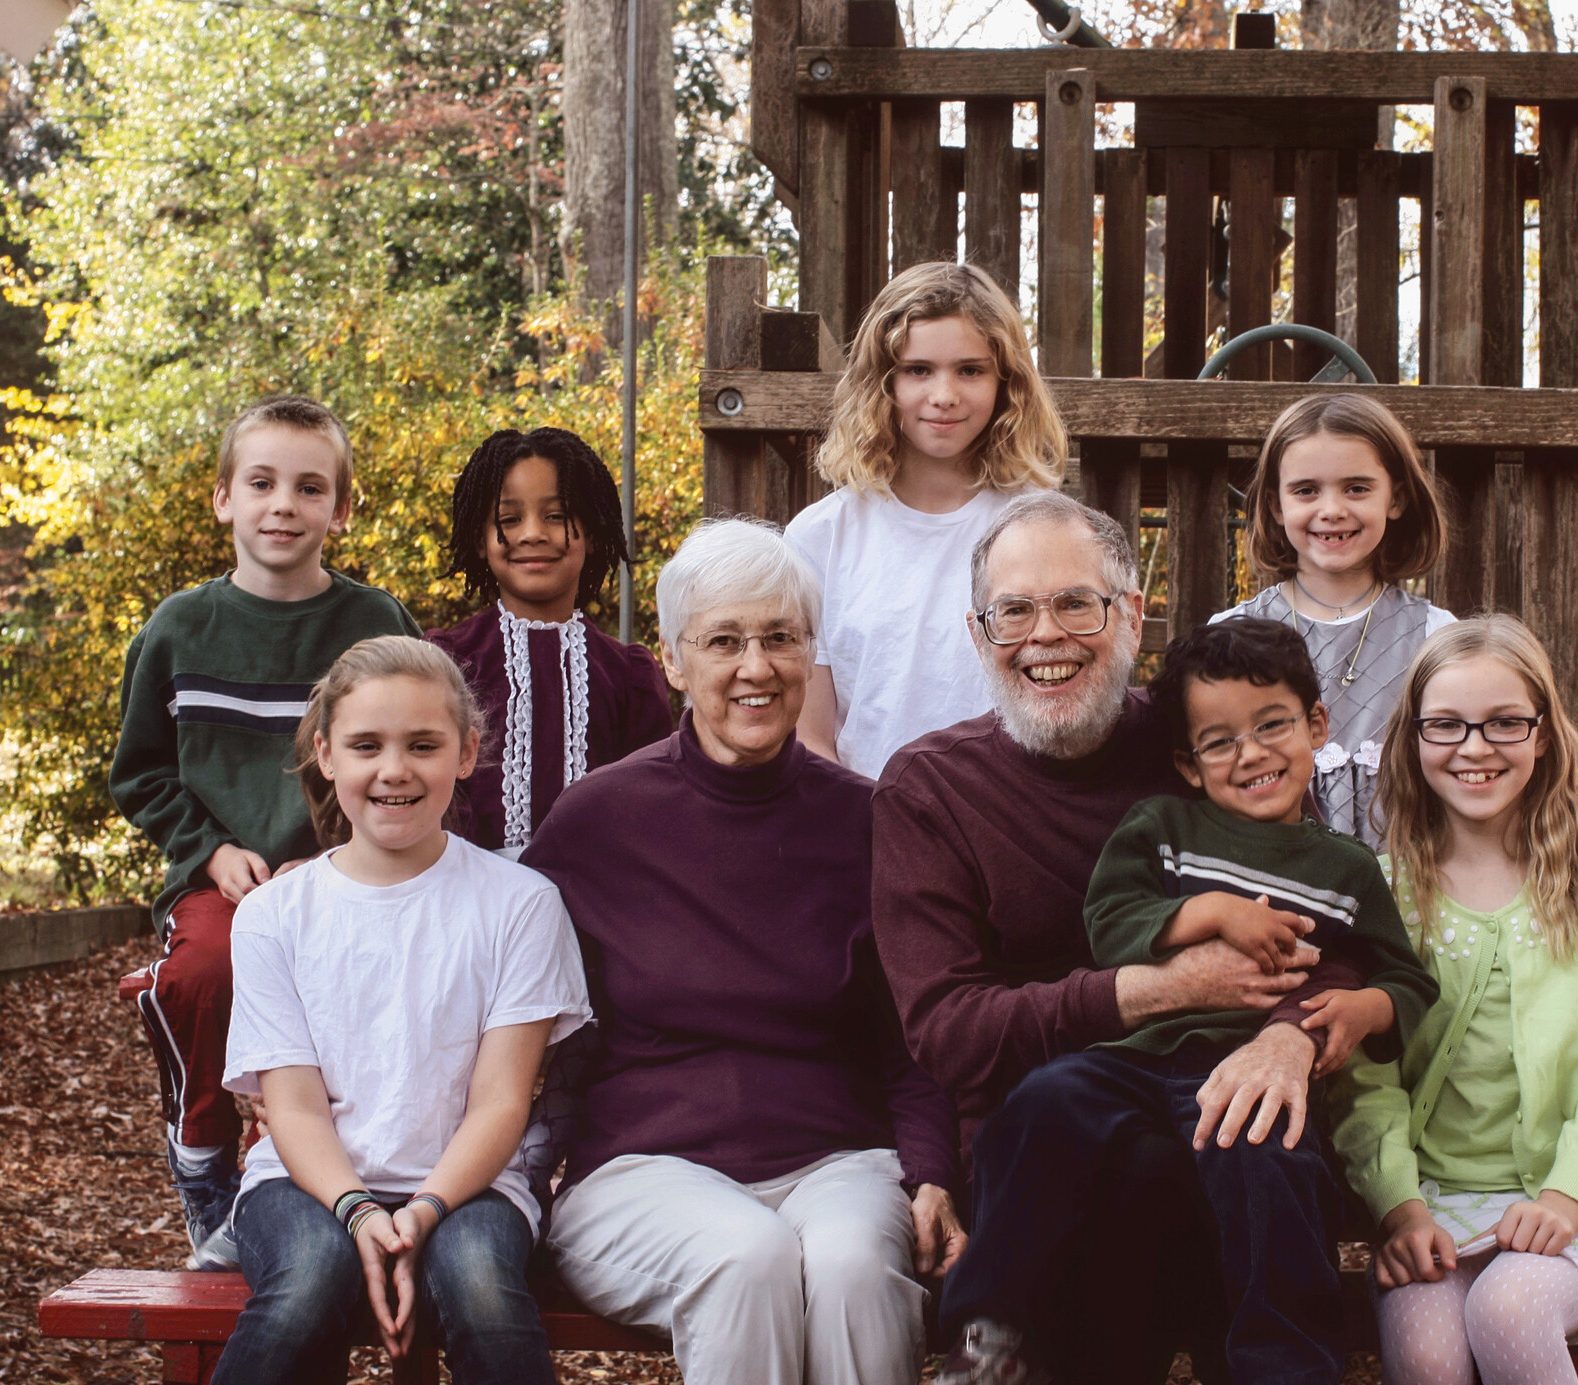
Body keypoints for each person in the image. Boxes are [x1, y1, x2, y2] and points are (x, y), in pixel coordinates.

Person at [873, 492, 1359, 1385]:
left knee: (1228, 1162)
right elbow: (948, 1031)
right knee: (1132, 1176)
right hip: (1039, 1159)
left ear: (1131, 615)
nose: (1045, 635)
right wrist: (1161, 986)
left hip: (1231, 1115)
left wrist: (1292, 1035)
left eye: (1076, 603)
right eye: (1013, 611)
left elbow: (1325, 919)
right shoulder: (931, 789)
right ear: (980, 635)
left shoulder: (1212, 748)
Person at [521, 518, 966, 1385]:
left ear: (810, 652)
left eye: (781, 637)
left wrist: (932, 1171)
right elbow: (492, 985)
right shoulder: (600, 819)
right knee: (748, 1256)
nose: (755, 666)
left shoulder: (870, 820)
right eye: (724, 640)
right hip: (643, 1169)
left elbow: (913, 1032)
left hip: (840, 1158)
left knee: (849, 1268)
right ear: (675, 660)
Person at [954, 616, 1438, 1384]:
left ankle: (1287, 1369)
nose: (1251, 753)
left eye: (1272, 724)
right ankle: (999, 1323)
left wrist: (1363, 1011)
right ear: (1187, 761)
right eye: (1220, 740)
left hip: (1254, 1073)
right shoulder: (1164, 827)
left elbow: (1405, 978)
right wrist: (1209, 911)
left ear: (1316, 722)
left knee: (1270, 1164)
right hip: (1139, 1061)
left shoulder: (1345, 868)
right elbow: (1109, 923)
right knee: (1042, 1102)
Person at [213, 636, 592, 1385]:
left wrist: (421, 1211)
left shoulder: (520, 903)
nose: (394, 769)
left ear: (467, 751)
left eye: (424, 744)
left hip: (473, 1181)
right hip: (303, 1182)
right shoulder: (274, 916)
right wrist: (358, 1210)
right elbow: (292, 1109)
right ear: (326, 754)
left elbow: (500, 1099)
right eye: (365, 745)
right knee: (305, 1284)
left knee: (482, 1288)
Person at [111, 396, 421, 1271]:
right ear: (223, 499)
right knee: (207, 968)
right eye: (261, 483)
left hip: (350, 869)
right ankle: (204, 1157)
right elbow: (140, 772)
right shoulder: (178, 629)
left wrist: (341, 854)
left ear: (341, 509)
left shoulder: (376, 625)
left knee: (366, 1001)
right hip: (225, 879)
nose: (283, 503)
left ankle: (314, 1180)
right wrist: (208, 847)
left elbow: (408, 749)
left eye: (309, 486)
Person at [1330, 615, 1578, 1385]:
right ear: (1412, 739)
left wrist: (1565, 1195)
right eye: (1445, 724)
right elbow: (1366, 1079)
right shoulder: (1387, 892)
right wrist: (1398, 1207)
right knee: (1426, 1351)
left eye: (1504, 722)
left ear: (1543, 734)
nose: (1475, 747)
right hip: (1432, 1200)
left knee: (1506, 1310)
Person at [787, 260, 1067, 779]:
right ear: (883, 381)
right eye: (918, 370)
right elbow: (811, 737)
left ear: (1007, 382)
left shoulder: (1044, 528)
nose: (944, 395)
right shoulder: (818, 537)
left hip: (1006, 819)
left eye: (970, 370)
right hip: (862, 823)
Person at [1213, 393, 1451, 848]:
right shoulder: (1230, 635)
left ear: (1395, 499)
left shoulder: (1435, 638)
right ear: (1277, 506)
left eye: (1357, 488)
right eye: (1306, 491)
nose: (1331, 510)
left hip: (1403, 885)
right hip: (1272, 881)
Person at [426, 426, 672, 858]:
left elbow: (651, 809)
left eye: (556, 516)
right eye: (509, 519)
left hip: (595, 907)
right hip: (468, 902)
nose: (533, 533)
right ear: (480, 540)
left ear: (593, 532)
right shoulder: (445, 661)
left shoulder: (629, 673)